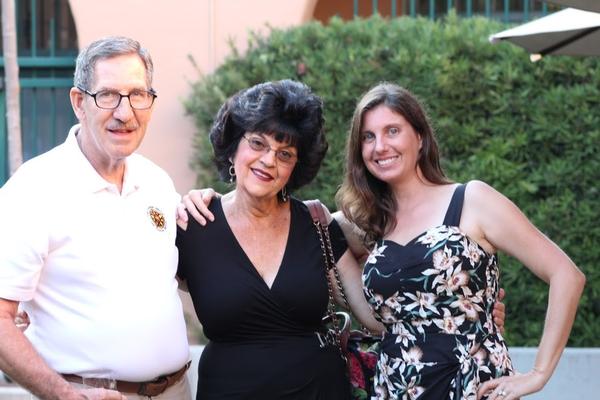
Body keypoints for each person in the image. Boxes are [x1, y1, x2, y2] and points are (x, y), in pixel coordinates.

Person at [334, 82, 585, 400]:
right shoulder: (372, 222)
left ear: (420, 138)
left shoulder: (472, 200)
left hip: (470, 385)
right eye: (368, 137)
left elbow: (566, 274)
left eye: (392, 131)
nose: (379, 146)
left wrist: (538, 374)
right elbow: (324, 231)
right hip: (395, 386)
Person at [0, 36, 192, 400]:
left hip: (176, 391)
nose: (125, 112)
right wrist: (64, 395)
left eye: (138, 94)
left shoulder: (157, 181)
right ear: (78, 103)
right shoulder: (33, 189)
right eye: (108, 95)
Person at [176, 79, 385, 399]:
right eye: (257, 143)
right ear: (233, 147)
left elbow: (374, 315)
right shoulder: (194, 225)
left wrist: (466, 305)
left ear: (295, 168)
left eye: (284, 153)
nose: (268, 160)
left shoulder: (316, 223)